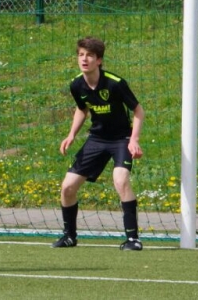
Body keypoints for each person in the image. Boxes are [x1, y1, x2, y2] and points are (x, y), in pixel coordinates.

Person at [54, 37, 145, 251]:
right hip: (96, 139)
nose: (84, 59)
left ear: (99, 60)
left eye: (89, 56)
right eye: (81, 55)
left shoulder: (115, 83)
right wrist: (71, 134)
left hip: (121, 139)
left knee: (121, 180)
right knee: (67, 187)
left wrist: (134, 139)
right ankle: (69, 236)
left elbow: (138, 111)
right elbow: (82, 109)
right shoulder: (76, 84)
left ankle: (133, 239)